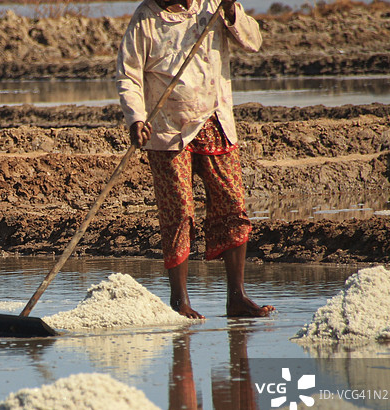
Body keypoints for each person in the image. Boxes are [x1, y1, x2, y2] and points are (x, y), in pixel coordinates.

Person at [116, 0, 274, 319]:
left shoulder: (213, 5)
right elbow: (128, 76)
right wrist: (136, 120)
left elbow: (253, 41)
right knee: (178, 211)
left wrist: (231, 13)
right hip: (167, 127)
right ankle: (180, 302)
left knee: (231, 204)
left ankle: (236, 297)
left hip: (215, 118)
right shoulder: (147, 19)